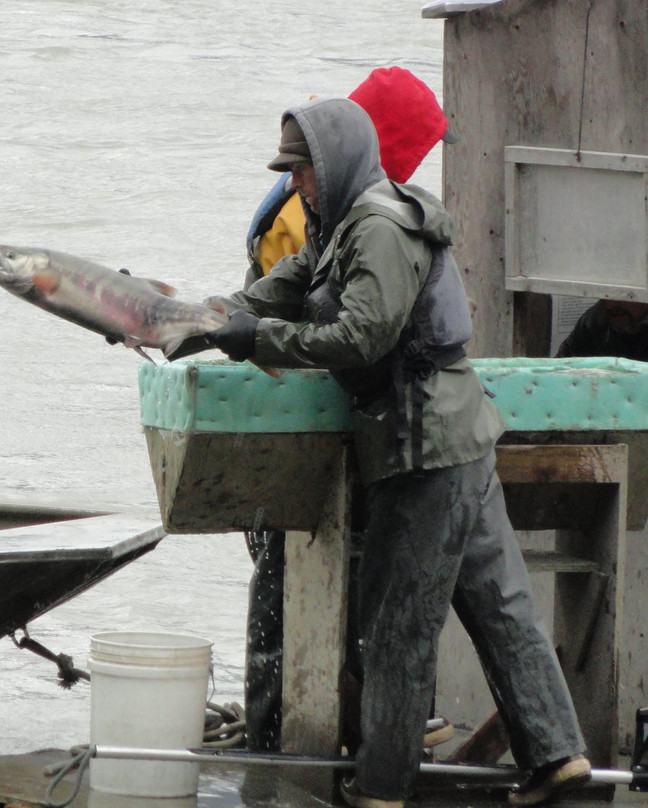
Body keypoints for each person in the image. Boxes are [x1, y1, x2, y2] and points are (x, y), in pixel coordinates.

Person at [204, 96, 589, 808]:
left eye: (304, 171)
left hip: (423, 451)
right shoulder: (336, 227)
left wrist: (256, 342)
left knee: (397, 627)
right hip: (461, 438)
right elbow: (268, 296)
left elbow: (360, 339)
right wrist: (195, 323)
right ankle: (558, 757)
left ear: (339, 162)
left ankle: (379, 788)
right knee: (501, 610)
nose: (296, 185)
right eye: (289, 173)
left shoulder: (376, 229)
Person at [241, 66, 457, 755]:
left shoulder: (366, 217)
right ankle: (283, 727)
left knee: (371, 589)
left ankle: (356, 727)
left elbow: (360, 323)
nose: (298, 181)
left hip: (365, 425)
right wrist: (217, 327)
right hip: (303, 427)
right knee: (293, 582)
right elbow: (291, 307)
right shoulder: (316, 216)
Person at [555, 298, 648, 360]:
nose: (608, 305)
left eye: (620, 295)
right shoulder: (595, 321)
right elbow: (562, 366)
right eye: (605, 296)